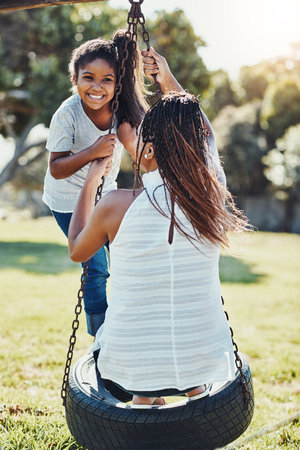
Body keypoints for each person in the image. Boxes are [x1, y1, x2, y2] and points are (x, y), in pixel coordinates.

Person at [68, 88, 249, 406]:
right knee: (180, 342)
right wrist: (169, 83)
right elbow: (208, 139)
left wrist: (92, 180)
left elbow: (77, 250)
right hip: (203, 358)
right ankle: (185, 394)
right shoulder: (211, 200)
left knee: (140, 354)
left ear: (148, 151)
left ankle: (144, 399)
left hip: (126, 363)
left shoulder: (116, 204)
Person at [42, 31, 148, 336]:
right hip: (67, 200)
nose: (97, 87)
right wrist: (92, 152)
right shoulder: (68, 114)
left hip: (105, 193)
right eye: (88, 78)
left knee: (129, 253)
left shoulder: (121, 109)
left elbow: (141, 144)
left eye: (107, 80)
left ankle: (131, 323)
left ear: (117, 83)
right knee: (96, 266)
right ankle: (99, 334)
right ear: (74, 78)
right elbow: (56, 167)